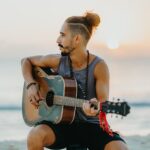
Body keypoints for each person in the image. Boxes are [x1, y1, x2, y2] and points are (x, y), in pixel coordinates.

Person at [21, 12, 128, 150]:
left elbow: (103, 103)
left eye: (63, 35)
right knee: (34, 136)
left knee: (119, 148)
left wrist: (95, 108)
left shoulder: (99, 66)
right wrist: (31, 84)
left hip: (92, 126)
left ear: (77, 39)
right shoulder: (57, 61)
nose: (58, 40)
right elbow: (26, 61)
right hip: (61, 125)